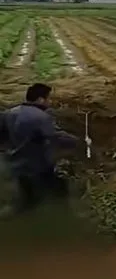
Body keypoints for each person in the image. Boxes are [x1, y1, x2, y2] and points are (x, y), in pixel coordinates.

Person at [0, 83, 80, 215]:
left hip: (14, 162)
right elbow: (53, 136)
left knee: (25, 193)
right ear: (40, 99)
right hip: (36, 163)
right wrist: (76, 141)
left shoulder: (9, 113)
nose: (50, 102)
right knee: (59, 187)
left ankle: (22, 210)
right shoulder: (41, 117)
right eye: (49, 98)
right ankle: (65, 211)